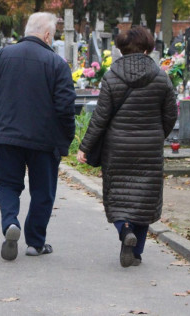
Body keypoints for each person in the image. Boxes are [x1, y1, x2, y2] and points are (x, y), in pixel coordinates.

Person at [0, 12, 76, 261]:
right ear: (48, 35)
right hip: (45, 140)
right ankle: (35, 242)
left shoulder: (1, 57)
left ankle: (10, 222)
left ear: (28, 29)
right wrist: (65, 141)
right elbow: (65, 108)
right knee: (43, 191)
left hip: (8, 136)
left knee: (8, 184)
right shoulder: (57, 64)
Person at [76, 26, 177, 268]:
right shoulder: (161, 77)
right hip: (149, 148)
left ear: (121, 50)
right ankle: (137, 251)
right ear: (147, 48)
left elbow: (100, 117)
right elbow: (171, 114)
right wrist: (158, 134)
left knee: (118, 195)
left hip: (117, 147)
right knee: (144, 198)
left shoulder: (111, 77)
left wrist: (85, 146)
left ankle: (124, 230)